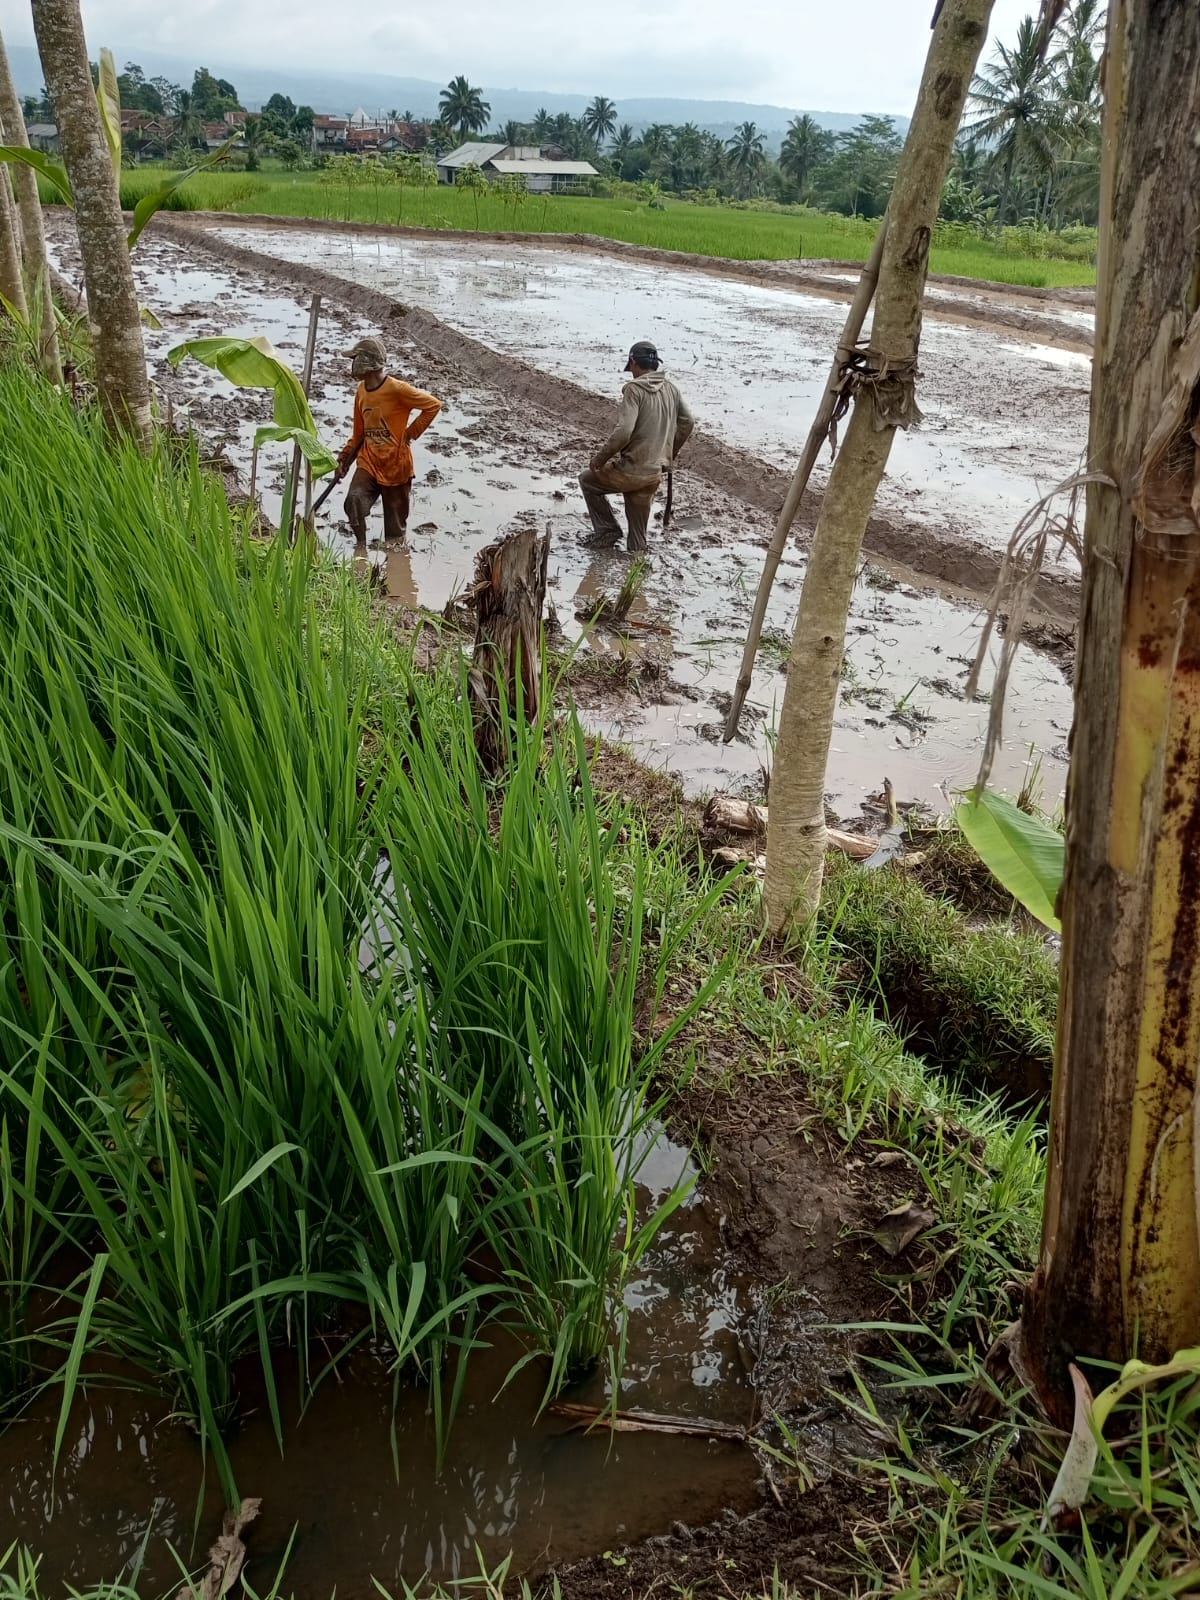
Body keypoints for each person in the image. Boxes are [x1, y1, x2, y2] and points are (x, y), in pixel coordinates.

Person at [579, 340, 695, 552]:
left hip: (630, 471)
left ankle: (607, 530)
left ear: (633, 363)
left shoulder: (634, 389)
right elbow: (688, 422)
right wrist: (668, 455)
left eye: (631, 367)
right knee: (638, 539)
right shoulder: (672, 389)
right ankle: (636, 563)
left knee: (587, 481)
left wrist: (600, 459)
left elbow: (624, 431)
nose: (631, 372)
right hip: (653, 473)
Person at [335, 337, 442, 543]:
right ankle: (360, 548)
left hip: (396, 466)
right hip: (369, 461)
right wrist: (344, 460)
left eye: (355, 358)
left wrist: (409, 434)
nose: (352, 364)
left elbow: (433, 405)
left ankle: (395, 557)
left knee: (394, 533)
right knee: (354, 501)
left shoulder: (397, 389)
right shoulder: (361, 392)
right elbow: (359, 434)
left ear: (367, 362)